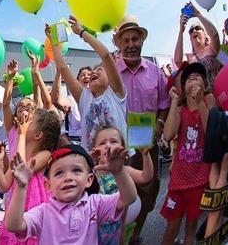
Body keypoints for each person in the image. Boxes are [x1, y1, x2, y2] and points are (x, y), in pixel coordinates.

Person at [4, 144, 138, 245]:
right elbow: (13, 225)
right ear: (48, 186)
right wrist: (21, 187)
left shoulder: (95, 204)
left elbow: (129, 198)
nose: (68, 177)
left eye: (76, 170)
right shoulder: (43, 213)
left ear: (89, 179)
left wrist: (119, 172)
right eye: (59, 173)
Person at [112, 15, 170, 244]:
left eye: (135, 39)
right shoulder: (111, 71)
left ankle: (135, 234)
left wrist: (159, 125)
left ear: (142, 41)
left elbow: (164, 105)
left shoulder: (155, 71)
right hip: (120, 146)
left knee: (148, 191)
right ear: (119, 44)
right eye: (125, 40)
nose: (130, 45)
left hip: (147, 142)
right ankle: (119, 237)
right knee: (119, 195)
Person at [48, 18, 126, 151]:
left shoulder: (116, 94)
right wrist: (53, 39)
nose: (92, 73)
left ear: (110, 79)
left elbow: (106, 55)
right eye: (91, 73)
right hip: (93, 165)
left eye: (99, 70)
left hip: (119, 163)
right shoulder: (85, 98)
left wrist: (81, 32)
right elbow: (62, 66)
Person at [0, 108, 60, 245]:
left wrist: (21, 135)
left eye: (29, 121)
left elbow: (22, 169)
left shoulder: (45, 154)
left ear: (38, 135)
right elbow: (3, 186)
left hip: (32, 213)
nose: (23, 123)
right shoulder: (19, 152)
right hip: (15, 211)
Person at [161, 63, 213, 245]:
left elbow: (212, 133)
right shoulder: (180, 109)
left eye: (199, 76)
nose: (194, 77)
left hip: (200, 180)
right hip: (178, 181)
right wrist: (174, 101)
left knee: (191, 228)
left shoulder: (208, 102)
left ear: (205, 86)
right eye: (189, 77)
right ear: (182, 87)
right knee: (171, 227)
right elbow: (168, 135)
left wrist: (200, 103)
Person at [91, 126, 154, 244]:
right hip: (95, 231)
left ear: (122, 148)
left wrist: (145, 155)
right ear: (95, 150)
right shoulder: (91, 173)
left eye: (114, 141)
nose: (108, 145)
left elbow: (146, 177)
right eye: (102, 143)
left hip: (117, 228)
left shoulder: (124, 171)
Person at [174, 3, 221, 87]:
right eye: (191, 31)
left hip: (220, 93)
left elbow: (215, 35)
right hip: (200, 98)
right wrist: (181, 30)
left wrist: (198, 14)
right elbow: (177, 61)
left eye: (197, 28)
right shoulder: (189, 57)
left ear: (205, 34)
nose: (194, 31)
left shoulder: (212, 48)